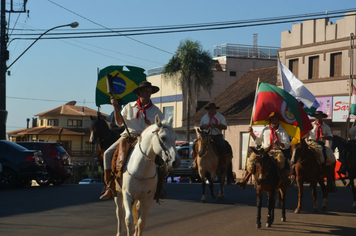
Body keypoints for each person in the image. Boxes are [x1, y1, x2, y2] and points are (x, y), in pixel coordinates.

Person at [100, 81, 165, 200]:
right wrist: (115, 107)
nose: (148, 94)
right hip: (127, 137)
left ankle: (160, 188)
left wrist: (151, 129)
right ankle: (109, 186)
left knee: (163, 158)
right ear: (139, 93)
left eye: (149, 92)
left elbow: (161, 127)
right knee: (107, 154)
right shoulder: (129, 106)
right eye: (145, 91)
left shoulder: (156, 111)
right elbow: (119, 122)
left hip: (146, 139)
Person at [236, 112, 291, 189]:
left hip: (276, 151)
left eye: (275, 120)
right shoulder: (265, 130)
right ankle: (245, 179)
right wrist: (252, 133)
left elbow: (287, 143)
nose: (274, 122)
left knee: (281, 161)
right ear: (270, 121)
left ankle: (285, 178)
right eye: (272, 120)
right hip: (264, 150)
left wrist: (280, 143)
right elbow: (258, 141)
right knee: (252, 159)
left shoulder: (282, 130)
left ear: (278, 121)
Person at [190, 103, 227, 169]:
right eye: (210, 109)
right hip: (206, 135)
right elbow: (201, 127)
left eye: (213, 109)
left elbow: (225, 127)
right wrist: (204, 126)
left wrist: (216, 126)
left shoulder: (220, 117)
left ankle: (223, 162)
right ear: (208, 110)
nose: (212, 110)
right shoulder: (204, 117)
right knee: (194, 144)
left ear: (215, 109)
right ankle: (195, 162)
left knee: (222, 144)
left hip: (216, 135)